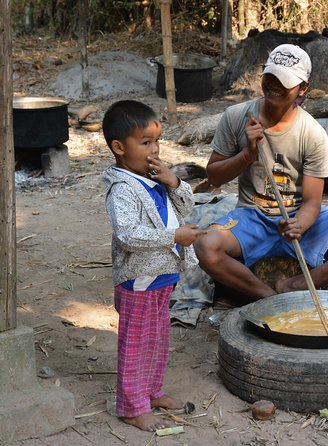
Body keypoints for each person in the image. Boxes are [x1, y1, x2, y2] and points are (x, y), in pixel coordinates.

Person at [195, 44, 328, 301]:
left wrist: (301, 223)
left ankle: (297, 284)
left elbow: (312, 202)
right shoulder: (236, 117)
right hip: (252, 216)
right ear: (262, 76)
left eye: (285, 81)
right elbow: (214, 177)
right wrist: (247, 155)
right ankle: (267, 298)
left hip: (300, 218)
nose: (275, 85)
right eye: (271, 77)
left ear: (303, 88)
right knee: (205, 246)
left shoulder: (312, 133)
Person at [101, 100, 207, 431]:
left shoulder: (153, 176)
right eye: (145, 142)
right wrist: (173, 235)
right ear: (119, 147)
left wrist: (173, 180)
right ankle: (132, 406)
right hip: (139, 278)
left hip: (163, 273)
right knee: (136, 342)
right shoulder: (121, 189)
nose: (154, 150)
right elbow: (129, 235)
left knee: (158, 339)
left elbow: (187, 204)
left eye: (157, 141)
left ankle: (152, 391)